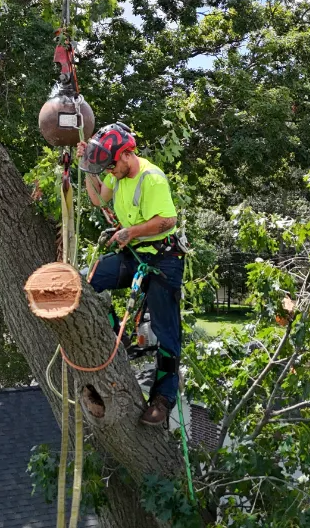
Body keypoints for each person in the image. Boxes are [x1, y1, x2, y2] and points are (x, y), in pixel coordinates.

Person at [78, 122, 185, 426]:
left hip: (165, 258)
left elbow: (167, 220)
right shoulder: (117, 174)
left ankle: (163, 400)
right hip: (135, 253)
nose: (110, 170)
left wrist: (131, 231)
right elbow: (99, 199)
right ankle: (116, 336)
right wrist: (90, 169)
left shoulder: (151, 178)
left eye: (112, 163)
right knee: (85, 282)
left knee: (166, 332)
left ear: (126, 154)